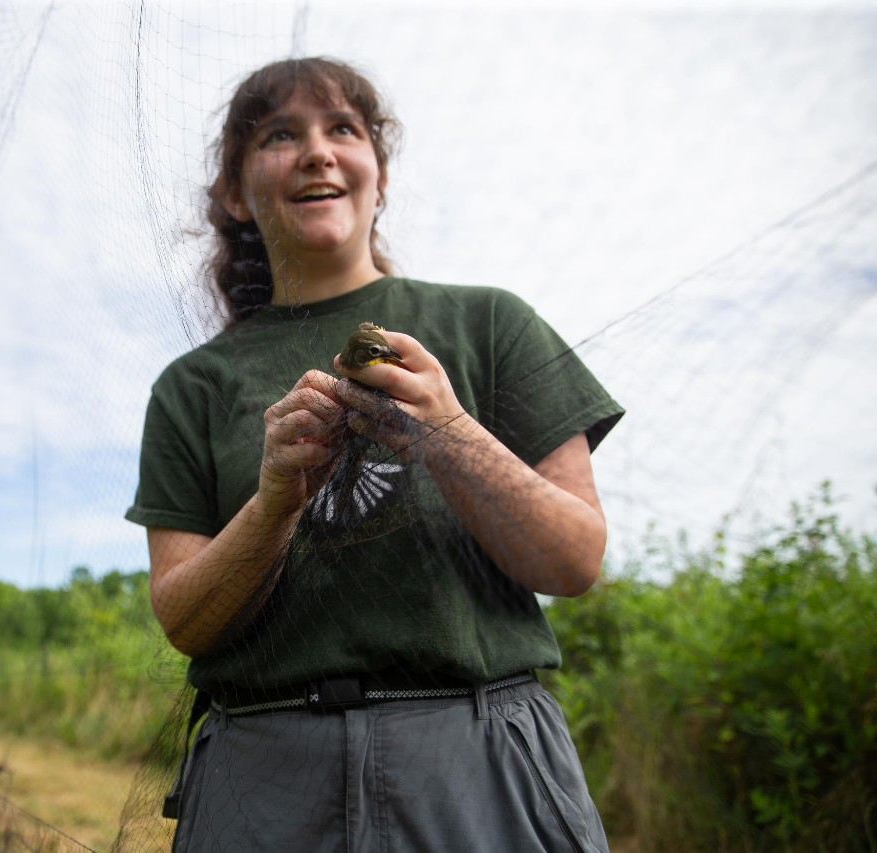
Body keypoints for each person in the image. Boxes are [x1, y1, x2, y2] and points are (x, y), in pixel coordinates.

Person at [126, 57, 625, 851]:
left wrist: (448, 432)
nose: (317, 152)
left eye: (343, 130)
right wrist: (277, 497)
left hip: (481, 754)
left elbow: (574, 560)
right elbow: (185, 618)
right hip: (260, 774)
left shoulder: (491, 323)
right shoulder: (193, 385)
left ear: (378, 174)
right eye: (280, 136)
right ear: (233, 192)